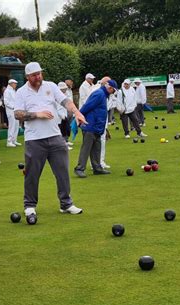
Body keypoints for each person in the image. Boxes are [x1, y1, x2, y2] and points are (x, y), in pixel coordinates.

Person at [14, 62, 86, 220]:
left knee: (62, 172)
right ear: (27, 77)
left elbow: (65, 101)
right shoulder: (21, 92)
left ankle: (66, 204)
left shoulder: (51, 86)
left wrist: (77, 112)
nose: (38, 77)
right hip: (34, 140)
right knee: (32, 175)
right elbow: (17, 114)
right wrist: (37, 114)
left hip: (55, 137)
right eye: (34, 75)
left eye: (39, 73)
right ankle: (30, 205)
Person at [74, 80, 118, 178]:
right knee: (86, 148)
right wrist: (78, 116)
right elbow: (87, 106)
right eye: (113, 91)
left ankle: (97, 168)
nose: (113, 93)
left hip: (97, 127)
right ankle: (79, 168)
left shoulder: (103, 95)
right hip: (90, 125)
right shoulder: (99, 94)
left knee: (97, 148)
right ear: (110, 88)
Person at [3, 78, 20, 147]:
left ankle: (14, 140)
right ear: (11, 84)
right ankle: (9, 141)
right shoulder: (7, 91)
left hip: (15, 110)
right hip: (10, 111)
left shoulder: (13, 91)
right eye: (15, 84)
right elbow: (6, 102)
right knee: (12, 125)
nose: (15, 85)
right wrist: (13, 107)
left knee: (16, 125)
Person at [57, 82, 73, 151]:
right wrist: (62, 115)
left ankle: (65, 144)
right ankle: (63, 146)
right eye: (64, 88)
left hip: (64, 115)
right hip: (59, 117)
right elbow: (57, 107)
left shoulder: (64, 95)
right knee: (61, 132)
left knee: (65, 130)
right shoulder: (57, 96)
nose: (65, 89)